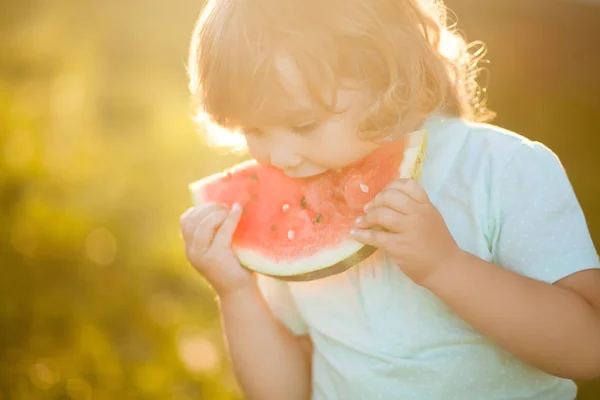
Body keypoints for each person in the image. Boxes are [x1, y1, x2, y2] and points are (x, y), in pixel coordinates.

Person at [179, 0, 600, 399]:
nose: (279, 158)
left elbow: (588, 347)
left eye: (304, 125)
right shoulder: (296, 203)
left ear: (387, 78)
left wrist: (446, 267)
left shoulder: (504, 170)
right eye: (253, 130)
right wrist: (236, 292)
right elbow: (286, 392)